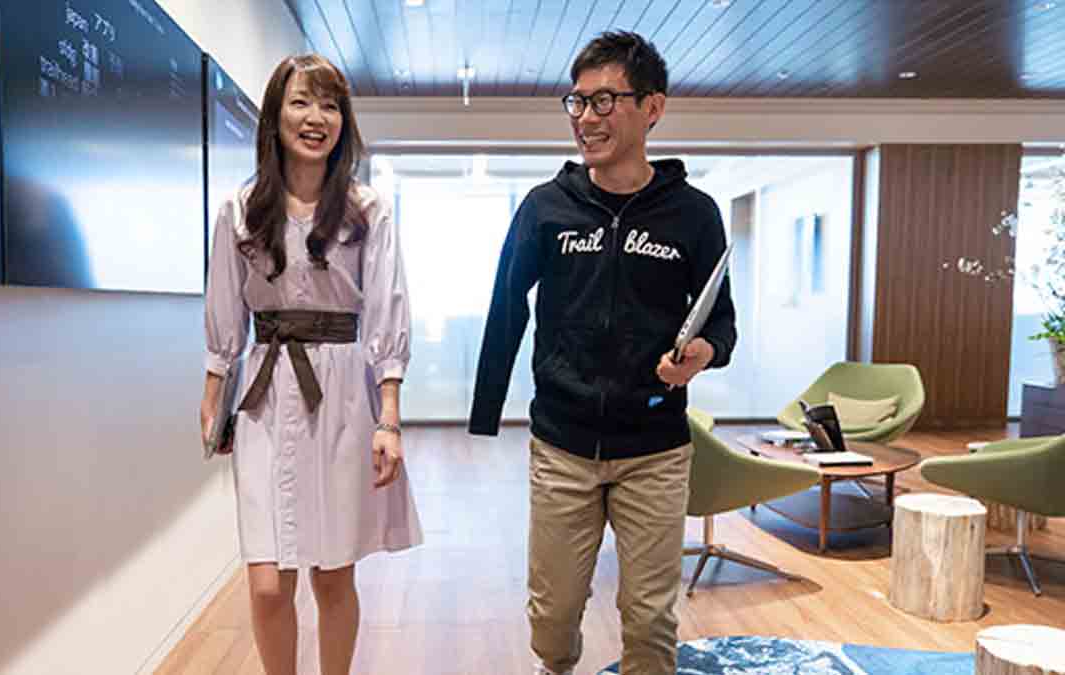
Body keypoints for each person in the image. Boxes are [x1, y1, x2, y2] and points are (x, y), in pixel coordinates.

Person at [468, 31, 737, 675]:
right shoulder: (545, 209)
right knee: (553, 616)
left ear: (652, 107)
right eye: (578, 101)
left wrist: (702, 352)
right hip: (562, 444)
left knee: (649, 619)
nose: (586, 118)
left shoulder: (694, 215)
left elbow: (722, 323)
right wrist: (485, 413)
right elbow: (506, 308)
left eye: (604, 100)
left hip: (655, 449)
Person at [201, 53, 421, 675]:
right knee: (268, 581)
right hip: (265, 391)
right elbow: (225, 310)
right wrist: (213, 393)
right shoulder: (240, 208)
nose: (315, 117)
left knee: (332, 573)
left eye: (329, 105)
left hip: (343, 390)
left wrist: (389, 418)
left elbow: (386, 311)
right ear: (275, 116)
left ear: (343, 122)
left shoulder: (366, 208)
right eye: (301, 102)